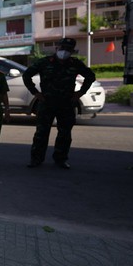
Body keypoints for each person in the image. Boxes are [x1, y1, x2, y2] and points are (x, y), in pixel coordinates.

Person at [23, 37, 96, 169]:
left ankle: (61, 159)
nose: (64, 51)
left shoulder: (75, 63)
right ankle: (36, 159)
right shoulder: (44, 62)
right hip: (47, 103)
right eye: (62, 48)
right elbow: (26, 75)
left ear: (72, 51)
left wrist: (80, 93)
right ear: (57, 48)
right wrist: (35, 93)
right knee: (41, 133)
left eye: (68, 49)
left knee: (65, 134)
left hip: (66, 104)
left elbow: (90, 76)